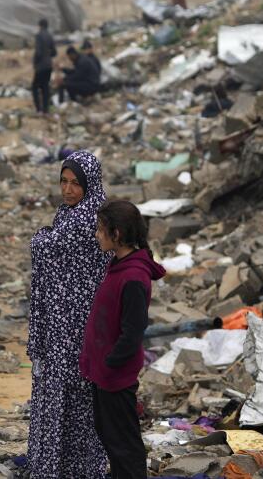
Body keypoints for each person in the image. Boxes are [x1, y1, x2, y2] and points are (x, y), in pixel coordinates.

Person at [28, 150, 111, 478]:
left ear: (90, 184)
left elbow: (45, 247)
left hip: (76, 326)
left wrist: (41, 237)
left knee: (71, 394)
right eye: (63, 181)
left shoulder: (87, 218)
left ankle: (69, 467)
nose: (68, 189)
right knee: (66, 393)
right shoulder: (71, 213)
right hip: (64, 322)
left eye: (76, 183)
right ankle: (65, 465)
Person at [80, 200, 166, 479]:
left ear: (116, 234)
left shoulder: (133, 277)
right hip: (105, 373)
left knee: (124, 444)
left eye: (100, 229)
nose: (96, 234)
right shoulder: (119, 265)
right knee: (111, 438)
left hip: (116, 375)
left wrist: (109, 362)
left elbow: (133, 332)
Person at [32, 18, 56, 114]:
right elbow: (54, 52)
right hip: (48, 65)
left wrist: (35, 62)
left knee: (35, 87)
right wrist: (48, 56)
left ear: (40, 26)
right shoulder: (50, 36)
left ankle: (38, 109)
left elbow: (38, 52)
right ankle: (46, 109)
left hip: (41, 66)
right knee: (45, 87)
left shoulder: (39, 36)